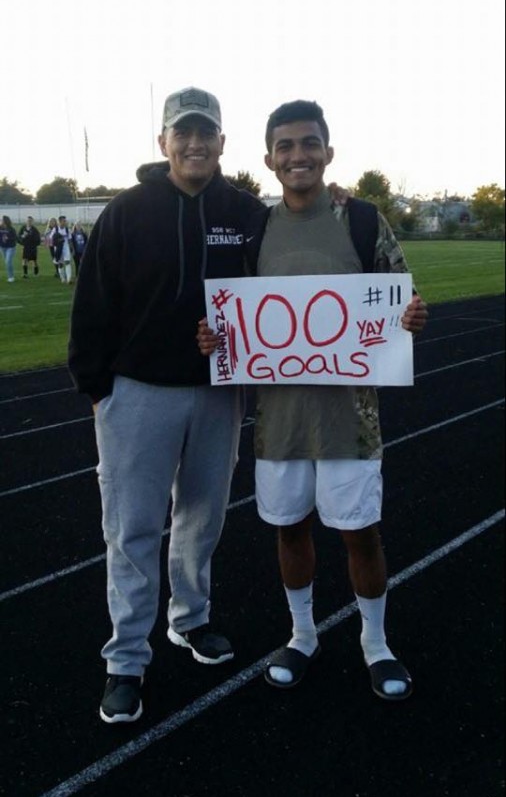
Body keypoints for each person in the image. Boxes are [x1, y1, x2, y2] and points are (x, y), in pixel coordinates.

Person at [198, 99, 428, 700]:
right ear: (269, 159)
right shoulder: (258, 229)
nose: (298, 155)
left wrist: (412, 313)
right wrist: (217, 335)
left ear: (329, 151)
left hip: (350, 420)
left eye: (309, 144)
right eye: (286, 146)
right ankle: (303, 636)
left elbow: (400, 296)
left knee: (362, 535)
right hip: (280, 422)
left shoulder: (362, 219)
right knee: (289, 531)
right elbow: (237, 316)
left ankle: (375, 644)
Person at [68, 86, 268, 724]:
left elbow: (281, 287)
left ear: (222, 143)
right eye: (182, 132)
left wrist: (343, 206)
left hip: (217, 394)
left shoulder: (246, 210)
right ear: (163, 142)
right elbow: (93, 307)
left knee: (203, 518)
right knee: (131, 530)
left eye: (205, 132)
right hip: (140, 396)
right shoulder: (126, 213)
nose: (194, 143)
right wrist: (100, 389)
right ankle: (126, 658)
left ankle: (190, 619)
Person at [54, 215, 73, 283]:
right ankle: (63, 278)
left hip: (66, 247)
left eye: (65, 221)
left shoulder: (67, 229)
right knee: (60, 263)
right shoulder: (55, 229)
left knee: (67, 261)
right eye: (63, 221)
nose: (65, 222)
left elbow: (70, 239)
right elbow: (51, 239)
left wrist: (71, 248)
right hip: (58, 248)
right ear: (59, 221)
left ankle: (69, 279)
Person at [0, 215, 17, 282]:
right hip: (2, 247)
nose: (1, 221)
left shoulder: (11, 229)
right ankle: (10, 275)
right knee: (7, 262)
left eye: (2, 220)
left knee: (8, 261)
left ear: (5, 221)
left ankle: (11, 277)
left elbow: (15, 238)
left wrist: (8, 238)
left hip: (10, 248)